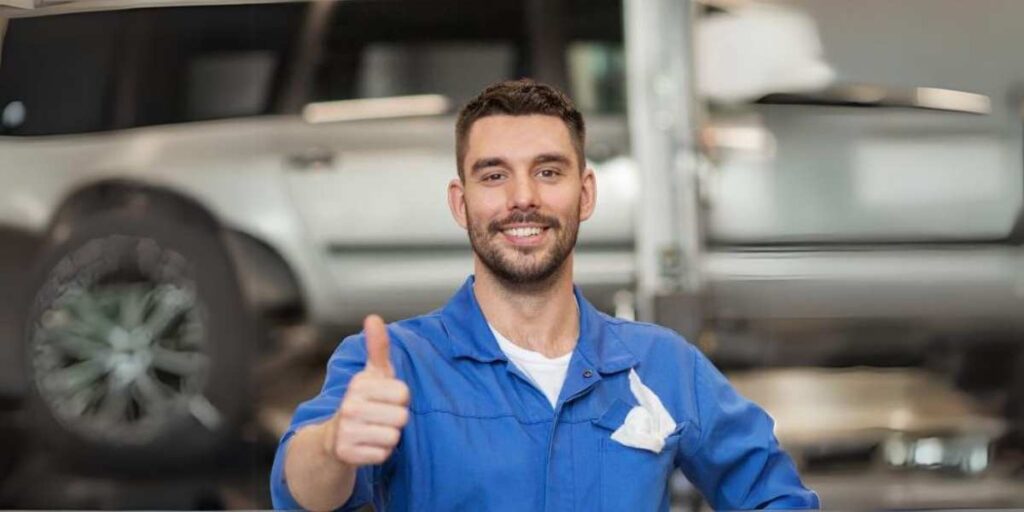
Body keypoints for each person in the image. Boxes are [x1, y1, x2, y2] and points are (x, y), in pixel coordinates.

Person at [270, 79, 819, 511]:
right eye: (494, 176)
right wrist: (335, 443)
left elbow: (775, 495)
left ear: (585, 195)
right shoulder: (396, 365)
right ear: (461, 204)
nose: (523, 198)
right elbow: (300, 494)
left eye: (548, 171)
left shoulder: (662, 366)